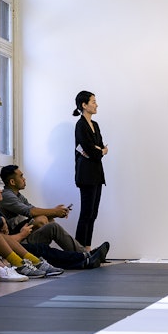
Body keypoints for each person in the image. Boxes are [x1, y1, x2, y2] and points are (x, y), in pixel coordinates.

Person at [0, 166, 109, 261]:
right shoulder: (7, 195)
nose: (24, 179)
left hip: (23, 234)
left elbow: (33, 209)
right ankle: (84, 254)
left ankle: (82, 254)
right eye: (21, 176)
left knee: (47, 219)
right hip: (19, 240)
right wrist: (55, 212)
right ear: (12, 181)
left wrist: (56, 212)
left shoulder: (18, 196)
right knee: (48, 223)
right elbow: (30, 212)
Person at [72, 90, 107, 250]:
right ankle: (80, 251)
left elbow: (99, 146)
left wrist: (98, 150)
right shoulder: (80, 125)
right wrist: (99, 151)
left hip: (96, 172)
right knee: (86, 213)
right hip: (85, 173)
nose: (96, 104)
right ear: (84, 105)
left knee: (93, 213)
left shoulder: (95, 125)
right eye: (93, 102)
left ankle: (87, 248)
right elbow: (90, 149)